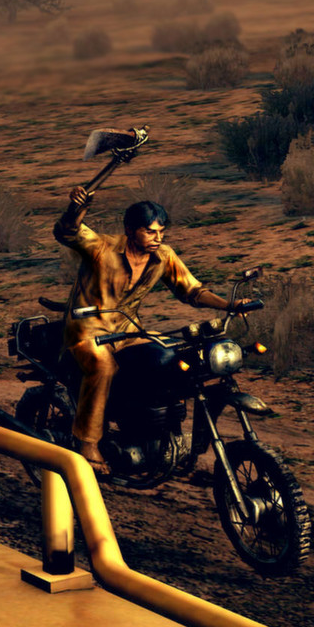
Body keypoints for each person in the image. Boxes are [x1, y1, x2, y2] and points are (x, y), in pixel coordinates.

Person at [55, 186, 249, 473]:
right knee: (104, 367)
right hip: (88, 331)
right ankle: (88, 443)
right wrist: (77, 208)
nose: (158, 238)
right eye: (150, 232)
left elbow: (191, 290)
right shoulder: (102, 248)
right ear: (130, 230)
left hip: (129, 330)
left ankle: (163, 431)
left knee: (175, 358)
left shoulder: (163, 255)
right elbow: (68, 232)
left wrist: (228, 305)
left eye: (161, 232)